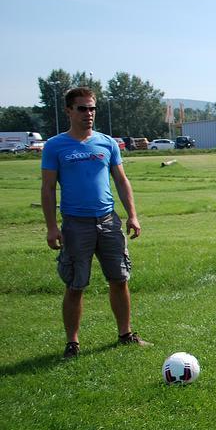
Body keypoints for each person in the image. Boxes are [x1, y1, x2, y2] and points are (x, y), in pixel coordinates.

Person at [40, 87, 149, 358]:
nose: (89, 114)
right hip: (76, 224)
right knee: (76, 284)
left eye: (92, 108)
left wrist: (132, 215)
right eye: (82, 108)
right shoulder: (55, 146)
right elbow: (48, 188)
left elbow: (122, 181)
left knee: (119, 278)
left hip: (108, 221)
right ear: (68, 111)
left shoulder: (107, 143)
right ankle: (72, 343)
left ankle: (125, 334)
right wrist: (52, 227)